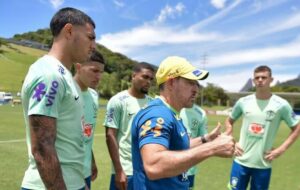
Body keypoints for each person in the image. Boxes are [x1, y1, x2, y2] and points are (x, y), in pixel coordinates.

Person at [131, 56, 235, 189]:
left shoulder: (170, 113)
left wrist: (207, 139)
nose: (196, 90)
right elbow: (154, 165)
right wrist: (213, 148)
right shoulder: (158, 115)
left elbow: (176, 146)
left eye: (196, 84)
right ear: (171, 83)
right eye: (190, 82)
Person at [21, 7, 96, 190]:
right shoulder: (50, 74)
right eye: (90, 37)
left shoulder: (64, 76)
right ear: (69, 31)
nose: (94, 45)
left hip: (72, 183)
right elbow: (42, 147)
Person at [226, 65, 300, 190]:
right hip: (240, 161)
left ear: (271, 80)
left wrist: (281, 149)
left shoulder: (281, 105)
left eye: (264, 77)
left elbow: (297, 127)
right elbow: (229, 121)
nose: (260, 80)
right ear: (254, 80)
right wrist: (232, 141)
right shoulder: (243, 102)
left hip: (263, 164)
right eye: (257, 77)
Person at [104, 62, 155, 190]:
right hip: (126, 171)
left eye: (151, 79)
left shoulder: (153, 104)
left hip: (148, 171)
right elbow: (110, 135)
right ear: (133, 76)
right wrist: (118, 170)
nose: (148, 81)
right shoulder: (118, 101)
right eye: (145, 77)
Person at [74, 50, 105, 189]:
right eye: (94, 71)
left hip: (85, 171)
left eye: (101, 72)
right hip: (68, 174)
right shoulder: (67, 92)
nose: (99, 77)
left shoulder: (93, 95)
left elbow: (86, 134)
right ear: (78, 67)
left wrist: (91, 161)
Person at [180, 103, 208, 190]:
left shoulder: (201, 113)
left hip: (189, 169)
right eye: (189, 87)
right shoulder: (169, 108)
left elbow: (204, 141)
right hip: (168, 168)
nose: (194, 90)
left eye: (197, 88)